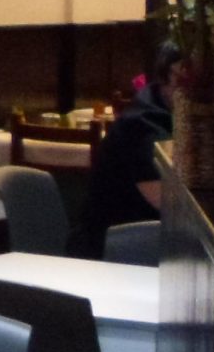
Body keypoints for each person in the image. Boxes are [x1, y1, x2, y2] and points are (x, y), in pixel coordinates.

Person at [74, 45, 191, 257]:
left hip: (132, 243)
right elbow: (167, 204)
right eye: (183, 80)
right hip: (107, 252)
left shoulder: (155, 104)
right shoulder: (143, 124)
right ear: (167, 78)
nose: (192, 89)